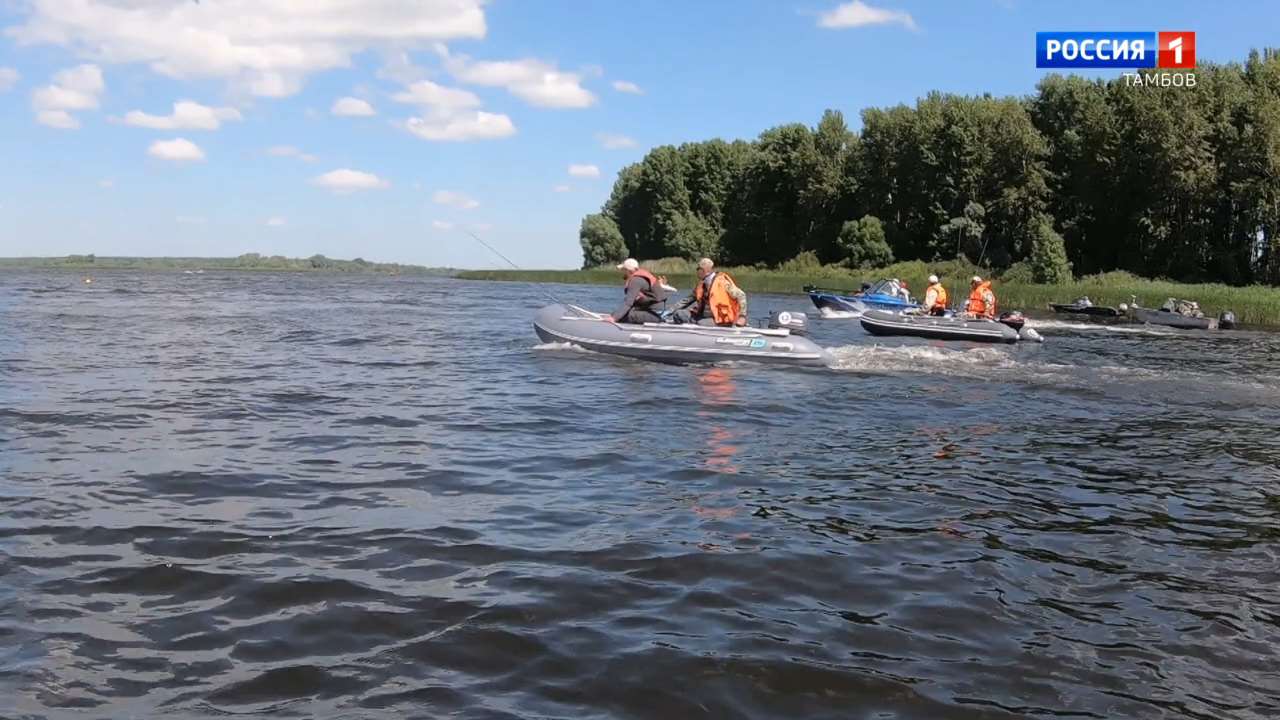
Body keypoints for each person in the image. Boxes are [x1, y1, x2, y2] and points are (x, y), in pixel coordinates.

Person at [671, 258, 748, 326]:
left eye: (698, 269)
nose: (697, 271)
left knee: (701, 323)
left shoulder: (723, 283)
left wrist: (742, 316)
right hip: (702, 316)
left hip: (720, 320)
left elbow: (741, 295)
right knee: (679, 314)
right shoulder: (701, 285)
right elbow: (686, 300)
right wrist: (670, 310)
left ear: (704, 270)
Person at [608, 258, 667, 324]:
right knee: (616, 313)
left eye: (623, 270)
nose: (622, 272)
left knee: (622, 316)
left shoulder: (635, 281)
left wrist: (614, 318)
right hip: (652, 311)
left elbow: (628, 303)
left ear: (629, 271)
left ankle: (658, 320)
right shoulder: (639, 278)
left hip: (655, 314)